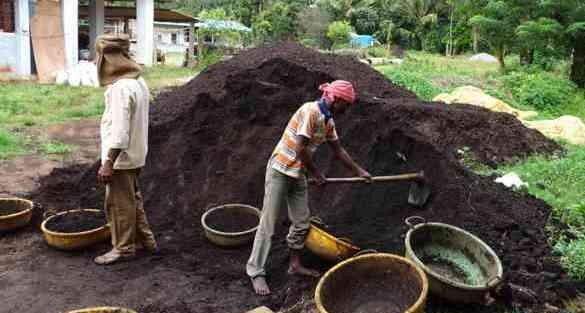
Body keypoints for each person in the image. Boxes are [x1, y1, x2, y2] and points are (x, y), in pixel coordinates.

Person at [246, 80, 372, 295]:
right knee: (269, 223)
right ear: (337, 99)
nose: (347, 109)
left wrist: (359, 171)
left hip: (299, 173)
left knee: (302, 222)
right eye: (346, 105)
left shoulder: (328, 121)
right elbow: (300, 147)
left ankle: (294, 265)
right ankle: (255, 271)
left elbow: (338, 150)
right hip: (281, 170)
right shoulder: (310, 111)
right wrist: (316, 174)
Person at [94, 34, 157, 265]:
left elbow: (120, 132)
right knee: (133, 199)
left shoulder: (121, 88)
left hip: (121, 158)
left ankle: (123, 248)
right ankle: (146, 241)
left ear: (108, 58)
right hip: (136, 154)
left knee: (119, 205)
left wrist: (108, 162)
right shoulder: (138, 81)